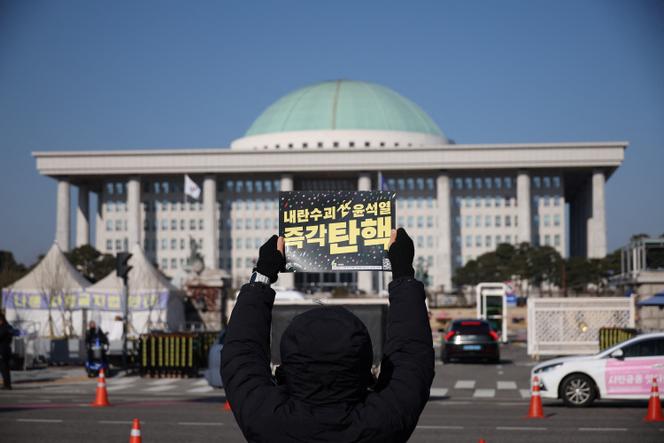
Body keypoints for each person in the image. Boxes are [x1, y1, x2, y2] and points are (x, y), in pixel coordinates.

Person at [221, 228, 434, 442]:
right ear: (364, 364)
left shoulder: (266, 419)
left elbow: (241, 352)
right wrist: (403, 272)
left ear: (288, 363)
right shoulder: (383, 421)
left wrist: (262, 275)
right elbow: (411, 354)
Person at [0, 313, 14, 389]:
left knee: (4, 368)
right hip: (6, 349)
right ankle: (7, 384)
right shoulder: (9, 327)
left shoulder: (4, 328)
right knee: (5, 368)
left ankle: (7, 385)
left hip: (2, 350)